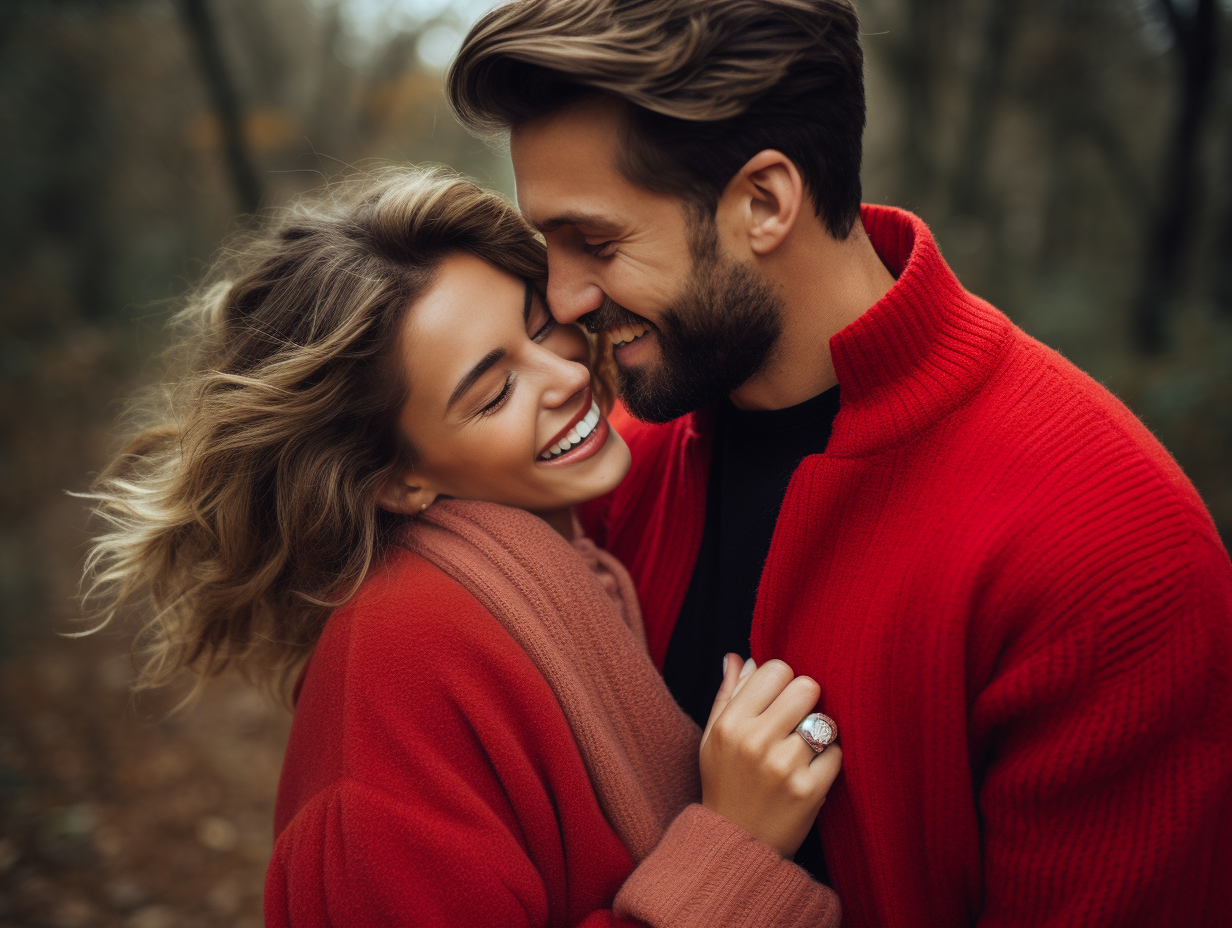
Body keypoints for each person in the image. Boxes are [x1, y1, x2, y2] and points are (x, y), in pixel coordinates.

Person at [447, 1, 1232, 925]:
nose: (566, 296)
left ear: (765, 202)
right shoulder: (629, 466)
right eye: (548, 242)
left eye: (598, 242)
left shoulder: (1111, 550)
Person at [78, 166, 847, 926]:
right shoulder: (403, 665)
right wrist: (733, 850)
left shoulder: (572, 569)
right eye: (493, 391)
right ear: (395, 479)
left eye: (541, 324)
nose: (563, 375)